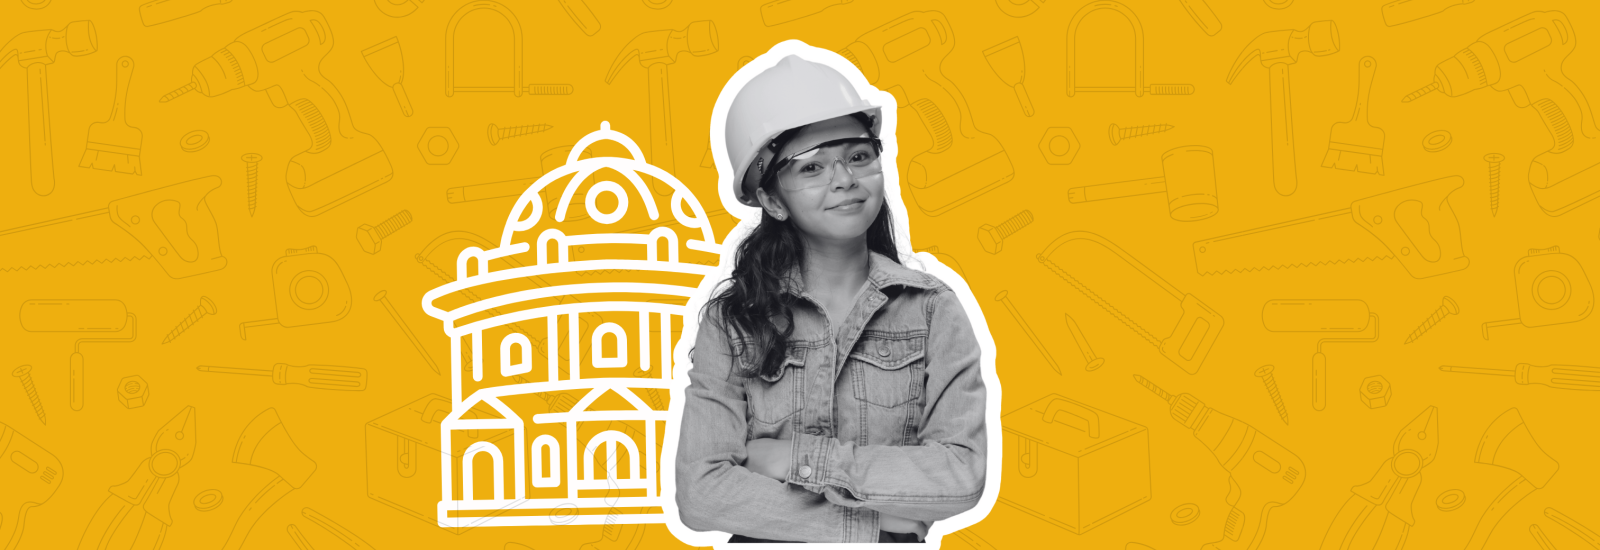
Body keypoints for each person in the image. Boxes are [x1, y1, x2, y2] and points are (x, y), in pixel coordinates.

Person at [674, 53, 987, 543]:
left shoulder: (932, 310)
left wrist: (787, 459)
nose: (845, 179)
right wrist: (873, 520)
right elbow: (702, 493)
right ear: (773, 200)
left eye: (858, 155)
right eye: (812, 167)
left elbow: (960, 478)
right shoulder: (732, 321)